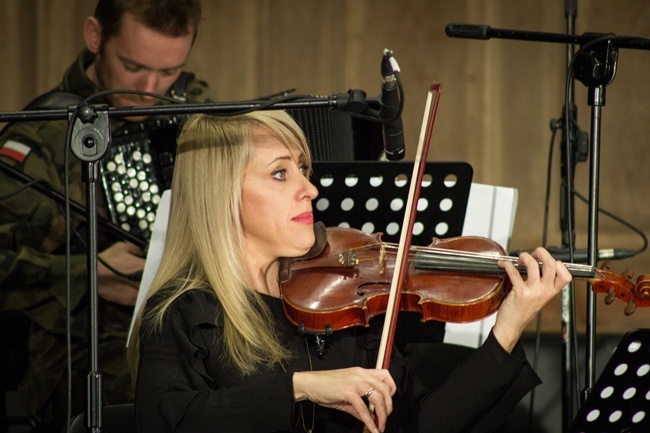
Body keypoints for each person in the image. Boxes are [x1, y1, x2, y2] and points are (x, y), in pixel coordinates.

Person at [128, 110, 572, 433]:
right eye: (281, 174)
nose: (310, 188)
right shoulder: (181, 315)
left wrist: (508, 327)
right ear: (221, 199)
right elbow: (171, 421)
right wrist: (303, 387)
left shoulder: (339, 304)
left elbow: (419, 426)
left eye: (302, 169)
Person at [0, 0, 214, 430]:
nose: (150, 87)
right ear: (95, 36)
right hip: (89, 344)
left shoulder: (196, 111)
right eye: (133, 65)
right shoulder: (37, 138)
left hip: (197, 327)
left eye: (170, 72)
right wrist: (90, 275)